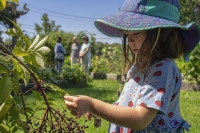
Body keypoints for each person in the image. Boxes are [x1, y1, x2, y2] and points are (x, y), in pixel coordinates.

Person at [64, 0, 200, 132]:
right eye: (126, 34)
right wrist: (99, 110)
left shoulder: (164, 68)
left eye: (137, 33)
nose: (130, 41)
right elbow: (128, 104)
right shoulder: (139, 65)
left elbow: (140, 119)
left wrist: (93, 105)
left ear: (161, 33)